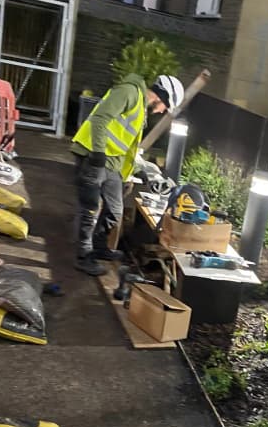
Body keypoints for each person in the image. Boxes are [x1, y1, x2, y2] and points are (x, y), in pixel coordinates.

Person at [71, 73, 184, 276]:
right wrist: (97, 153)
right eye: (166, 107)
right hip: (94, 156)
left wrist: (132, 173)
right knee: (89, 209)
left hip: (112, 163)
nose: (163, 111)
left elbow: (127, 146)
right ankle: (83, 256)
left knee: (115, 210)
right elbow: (99, 119)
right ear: (162, 97)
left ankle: (99, 246)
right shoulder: (129, 92)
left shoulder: (141, 108)